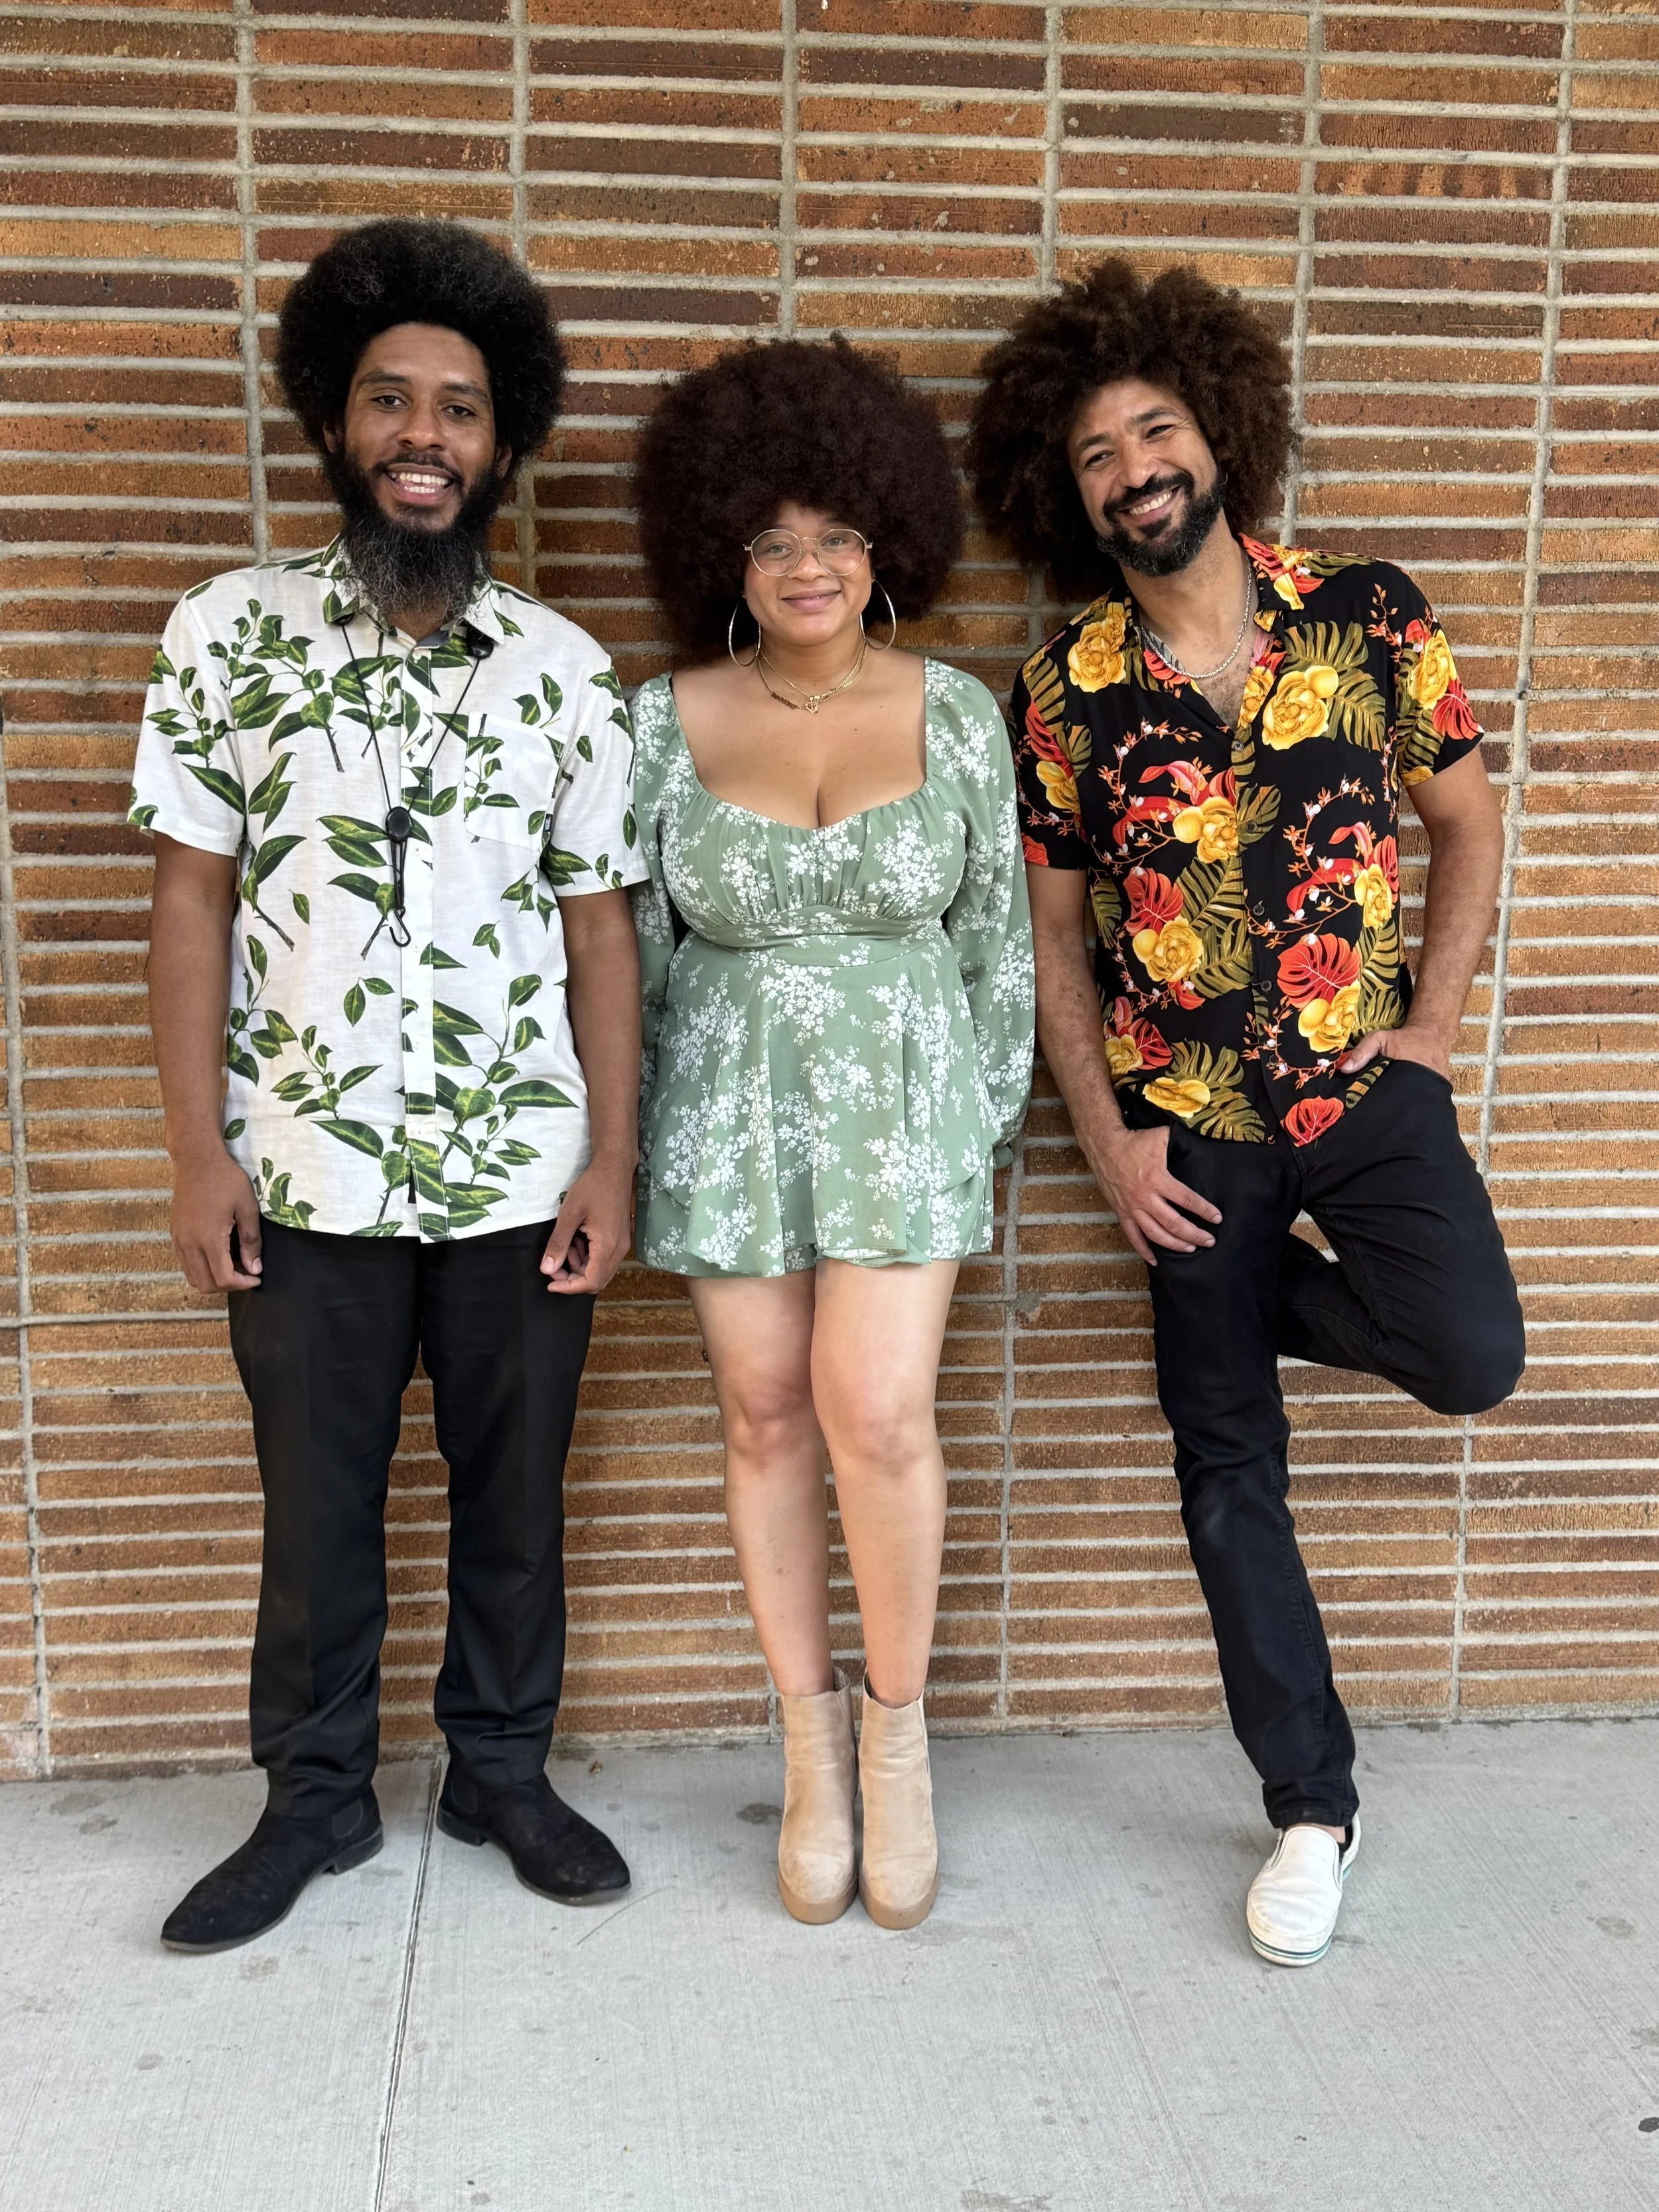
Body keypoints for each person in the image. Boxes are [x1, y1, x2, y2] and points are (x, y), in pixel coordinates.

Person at [967, 259, 1526, 1967]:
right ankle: (1309, 1804)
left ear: (1218, 434)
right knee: (1226, 1470)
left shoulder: (1366, 613)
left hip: (1364, 1095)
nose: (1133, 468)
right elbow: (1050, 942)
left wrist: (1429, 1028)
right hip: (1186, 1126)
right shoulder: (1060, 686)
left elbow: (1468, 825)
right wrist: (1107, 1144)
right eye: (1092, 455)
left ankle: (1244, 1294)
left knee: (1470, 1354)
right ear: (1066, 498)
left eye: (1155, 430)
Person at [131, 219, 646, 1953]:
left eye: (460, 410)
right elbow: (189, 893)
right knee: (318, 1508)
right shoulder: (224, 635)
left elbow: (598, 935)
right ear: (335, 424)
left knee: (517, 1498)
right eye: (389, 402)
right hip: (302, 1174)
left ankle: (503, 1770)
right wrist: (199, 1154)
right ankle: (316, 1801)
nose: (424, 434)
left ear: (503, 448)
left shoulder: (568, 677)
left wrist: (612, 1160)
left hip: (520, 1170)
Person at [629, 339, 1033, 1930]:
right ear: (723, 553)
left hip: (904, 1117)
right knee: (760, 1416)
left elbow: (1001, 945)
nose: (807, 566)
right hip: (725, 1116)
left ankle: (896, 1742)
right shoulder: (661, 718)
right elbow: (638, 956)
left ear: (887, 541)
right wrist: (647, 1134)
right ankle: (806, 1749)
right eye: (772, 539)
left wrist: (973, 1125)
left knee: (876, 1410)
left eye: (837, 535)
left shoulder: (955, 714)